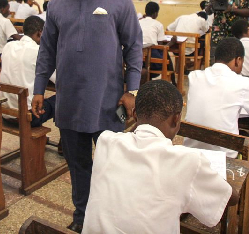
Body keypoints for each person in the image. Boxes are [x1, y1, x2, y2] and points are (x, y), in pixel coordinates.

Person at [33, 0, 143, 232]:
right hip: (69, 102)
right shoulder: (57, 3)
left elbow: (134, 48)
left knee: (113, 165)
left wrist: (131, 91)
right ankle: (82, 216)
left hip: (108, 103)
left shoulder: (118, 0)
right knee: (78, 165)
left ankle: (113, 215)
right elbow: (46, 51)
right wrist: (38, 89)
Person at [83, 80, 236, 234]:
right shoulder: (188, 161)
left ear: (135, 115)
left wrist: (141, 120)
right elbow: (231, 197)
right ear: (176, 119)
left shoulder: (106, 141)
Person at [184, 38, 249, 187]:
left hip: (192, 155)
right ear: (238, 60)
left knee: (240, 132)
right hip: (223, 163)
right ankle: (244, 193)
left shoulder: (195, 77)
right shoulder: (242, 83)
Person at [1, 16, 56, 126]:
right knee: (64, 97)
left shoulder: (8, 46)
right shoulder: (38, 51)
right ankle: (64, 142)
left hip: (5, 112)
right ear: (40, 33)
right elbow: (59, 80)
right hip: (29, 116)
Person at [140, 2, 176, 83]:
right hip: (153, 63)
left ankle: (174, 83)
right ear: (156, 13)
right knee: (166, 54)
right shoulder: (158, 24)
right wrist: (171, 43)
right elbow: (161, 47)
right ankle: (174, 83)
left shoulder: (139, 22)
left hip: (138, 58)